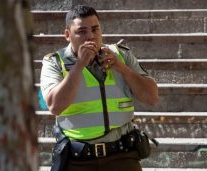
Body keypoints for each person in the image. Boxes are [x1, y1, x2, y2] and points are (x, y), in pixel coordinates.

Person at [40, 5, 159, 171]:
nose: (90, 37)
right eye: (82, 31)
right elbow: (54, 106)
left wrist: (122, 69)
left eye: (95, 29)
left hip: (123, 155)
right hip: (78, 160)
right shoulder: (54, 62)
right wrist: (79, 64)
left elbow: (152, 97)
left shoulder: (121, 55)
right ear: (67, 35)